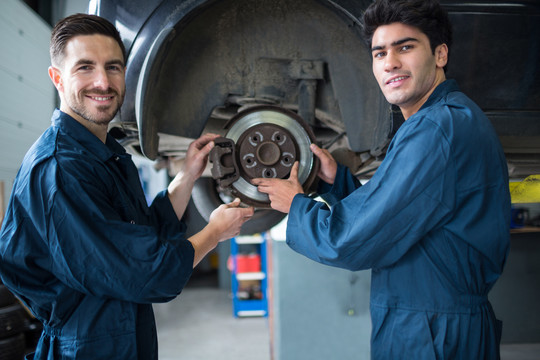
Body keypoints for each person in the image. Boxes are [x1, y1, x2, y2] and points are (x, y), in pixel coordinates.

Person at [253, 0, 510, 358]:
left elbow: (351, 240)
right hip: (434, 324)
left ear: (440, 54)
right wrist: (335, 183)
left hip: (433, 335)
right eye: (379, 53)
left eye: (405, 47)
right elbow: (402, 214)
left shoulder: (436, 130)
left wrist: (296, 206)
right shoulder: (444, 119)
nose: (389, 62)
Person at [0, 13, 253, 360]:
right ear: (57, 78)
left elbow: (139, 236)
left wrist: (188, 174)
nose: (103, 83)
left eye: (113, 67)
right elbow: (147, 272)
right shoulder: (62, 169)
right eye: (85, 67)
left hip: (118, 330)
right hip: (87, 343)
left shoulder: (100, 153)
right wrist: (214, 233)